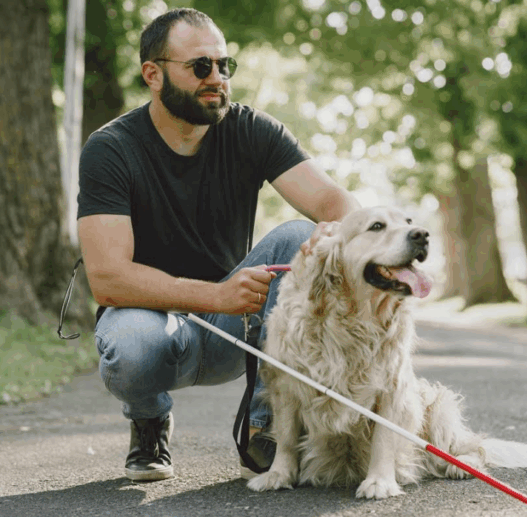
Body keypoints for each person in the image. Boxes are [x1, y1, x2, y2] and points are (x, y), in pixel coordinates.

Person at [77, 7, 359, 482]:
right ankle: (149, 419)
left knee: (298, 237)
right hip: (154, 324)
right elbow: (107, 279)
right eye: (200, 66)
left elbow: (334, 201)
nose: (217, 78)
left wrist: (332, 231)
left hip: (234, 325)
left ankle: (266, 425)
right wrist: (215, 295)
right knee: (131, 345)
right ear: (153, 74)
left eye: (224, 65)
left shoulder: (251, 129)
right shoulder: (110, 149)